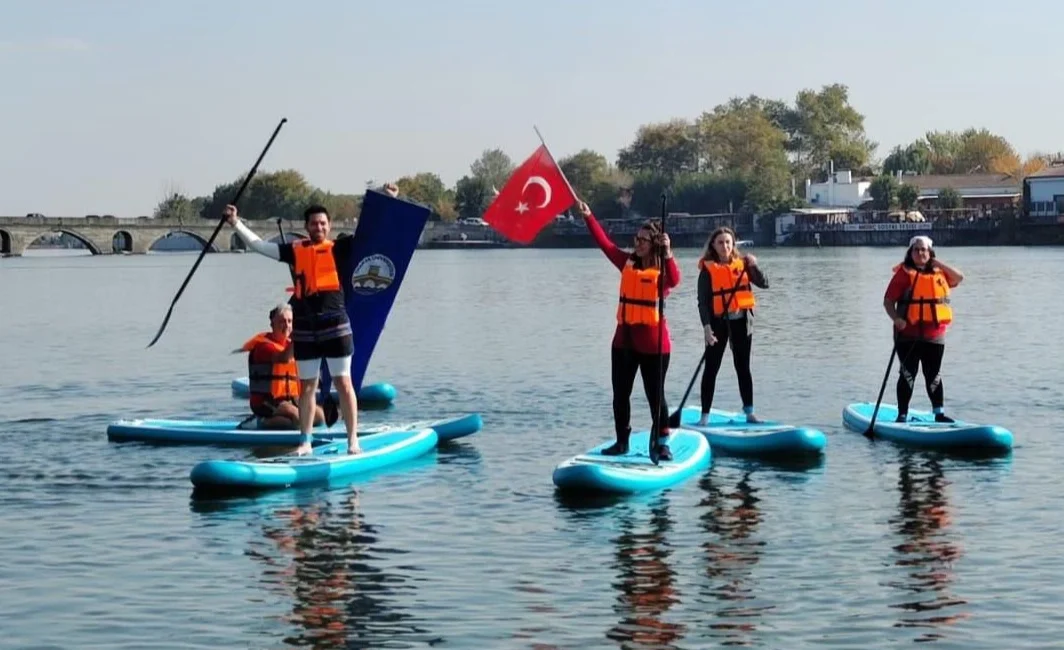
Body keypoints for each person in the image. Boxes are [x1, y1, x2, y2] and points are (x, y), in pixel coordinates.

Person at [226, 203, 361, 455]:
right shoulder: (295, 250)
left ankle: (353, 440)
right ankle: (305, 442)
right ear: (306, 227)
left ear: (329, 226)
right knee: (307, 386)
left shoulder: (341, 248)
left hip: (336, 325)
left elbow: (371, 232)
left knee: (344, 383)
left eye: (322, 223)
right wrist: (236, 223)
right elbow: (259, 245)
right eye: (313, 223)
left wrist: (387, 198)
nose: (318, 227)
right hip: (306, 328)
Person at [577, 201, 680, 459]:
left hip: (654, 345)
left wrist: (668, 253)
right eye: (637, 238)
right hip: (623, 342)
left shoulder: (661, 271)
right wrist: (589, 216)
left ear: (655, 242)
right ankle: (622, 441)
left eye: (644, 239)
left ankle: (662, 443)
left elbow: (675, 280)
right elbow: (606, 245)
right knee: (620, 395)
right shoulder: (626, 262)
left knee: (656, 397)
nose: (638, 242)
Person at [883, 235, 964, 423]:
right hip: (907, 335)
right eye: (917, 250)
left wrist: (937, 262)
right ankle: (902, 414)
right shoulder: (903, 274)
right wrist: (896, 319)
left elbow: (959, 277)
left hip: (934, 336)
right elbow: (888, 302)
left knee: (934, 375)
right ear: (910, 253)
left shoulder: (939, 273)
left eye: (924, 250)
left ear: (930, 253)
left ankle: (939, 414)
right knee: (908, 374)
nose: (921, 253)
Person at [695, 227, 769, 425]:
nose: (725, 246)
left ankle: (750, 412)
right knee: (711, 368)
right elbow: (702, 302)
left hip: (741, 323)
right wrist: (706, 327)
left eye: (728, 242)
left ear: (733, 244)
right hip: (718, 324)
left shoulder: (744, 264)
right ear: (713, 245)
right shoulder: (707, 270)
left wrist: (754, 267)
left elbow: (764, 283)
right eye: (720, 242)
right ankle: (705, 416)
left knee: (743, 367)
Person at [235, 304, 325, 430]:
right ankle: (259, 422)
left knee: (320, 416)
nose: (287, 325)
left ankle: (284, 420)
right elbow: (284, 359)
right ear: (272, 324)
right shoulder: (264, 346)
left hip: (290, 399)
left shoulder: (291, 344)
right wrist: (298, 337)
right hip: (266, 401)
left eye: (289, 321)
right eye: (282, 321)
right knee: (299, 419)